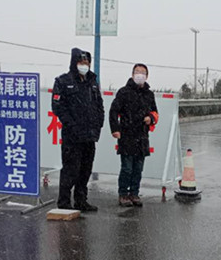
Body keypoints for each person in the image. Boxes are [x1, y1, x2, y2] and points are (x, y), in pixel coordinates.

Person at [51, 48, 105, 211]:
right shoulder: (63, 81)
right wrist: (73, 126)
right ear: (74, 63)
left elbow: (99, 105)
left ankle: (81, 201)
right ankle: (64, 202)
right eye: (81, 62)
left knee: (85, 170)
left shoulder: (92, 82)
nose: (84, 65)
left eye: (87, 62)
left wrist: (98, 124)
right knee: (70, 170)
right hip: (72, 136)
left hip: (90, 135)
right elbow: (58, 107)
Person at [109, 63, 159, 207]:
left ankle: (134, 193)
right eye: (137, 72)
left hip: (142, 136)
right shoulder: (124, 92)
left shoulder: (149, 94)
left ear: (147, 76)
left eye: (143, 72)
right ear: (132, 74)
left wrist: (151, 118)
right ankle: (123, 194)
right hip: (127, 135)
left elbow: (155, 112)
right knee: (127, 168)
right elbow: (113, 111)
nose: (140, 75)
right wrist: (115, 129)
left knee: (138, 168)